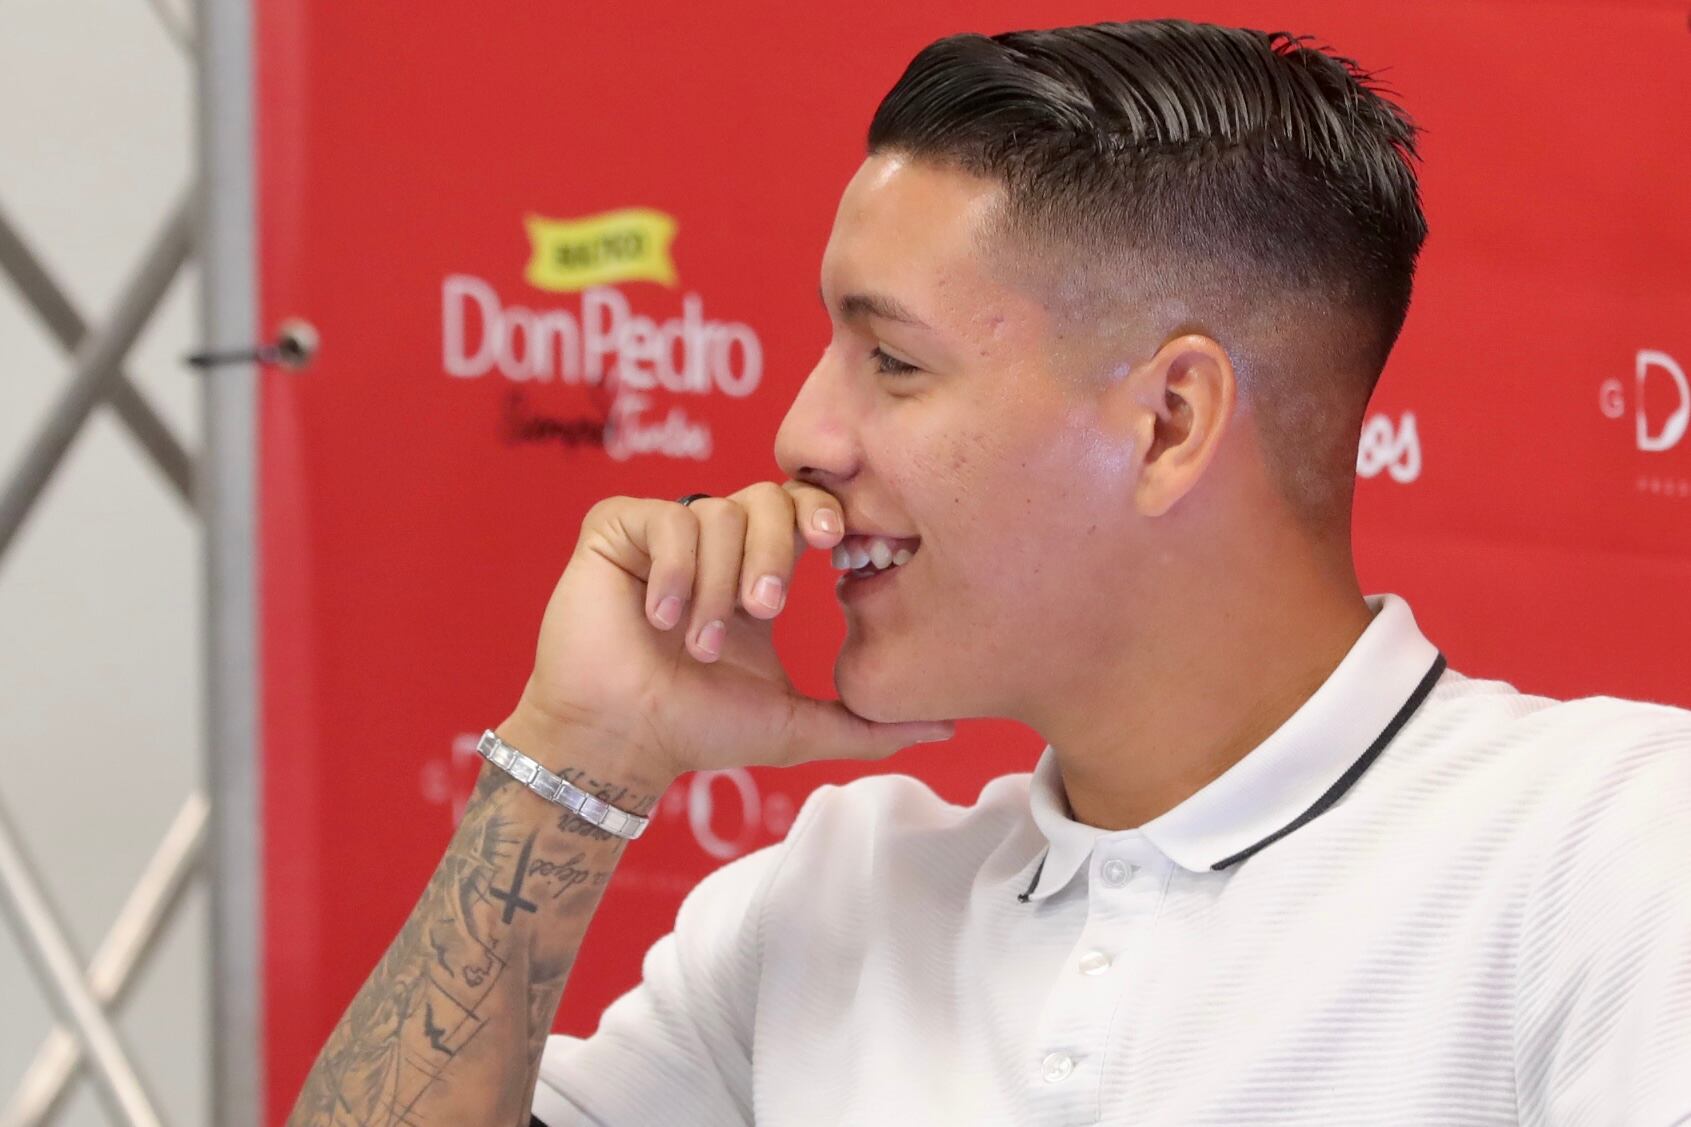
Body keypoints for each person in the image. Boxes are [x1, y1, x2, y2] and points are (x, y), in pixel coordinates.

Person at [287, 17, 1691, 1126]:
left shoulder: (1613, 854)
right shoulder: (828, 900)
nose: (800, 436)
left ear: (1171, 422)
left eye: (893, 362)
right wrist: (573, 757)